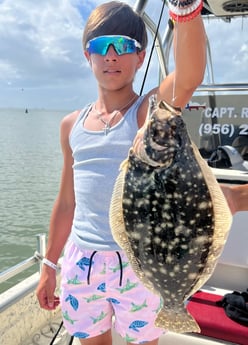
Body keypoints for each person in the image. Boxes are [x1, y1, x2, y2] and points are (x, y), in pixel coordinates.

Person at [36, 1, 206, 344]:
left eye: (125, 46)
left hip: (141, 263)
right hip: (81, 263)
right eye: (101, 46)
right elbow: (67, 202)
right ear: (88, 56)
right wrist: (49, 265)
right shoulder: (70, 125)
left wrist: (185, 10)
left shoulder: (148, 112)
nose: (111, 55)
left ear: (140, 57)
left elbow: (188, 78)